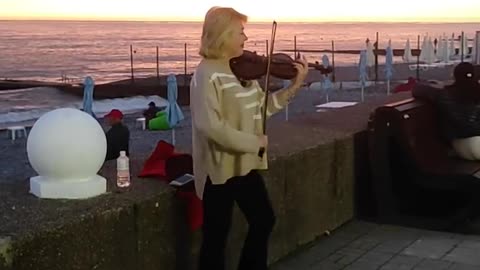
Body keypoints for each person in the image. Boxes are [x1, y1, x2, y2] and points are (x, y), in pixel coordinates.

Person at [190, 6, 308, 270]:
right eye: (241, 32)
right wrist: (255, 143)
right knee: (216, 238)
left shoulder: (242, 70)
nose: (246, 38)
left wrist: (295, 86)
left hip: (244, 165)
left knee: (263, 219)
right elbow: (210, 127)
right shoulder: (205, 74)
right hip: (218, 170)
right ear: (223, 35)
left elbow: (262, 108)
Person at [412, 62, 480, 160]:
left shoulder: (445, 95)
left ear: (455, 76)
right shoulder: (476, 92)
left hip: (461, 142)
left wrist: (442, 86)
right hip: (473, 141)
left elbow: (417, 89)